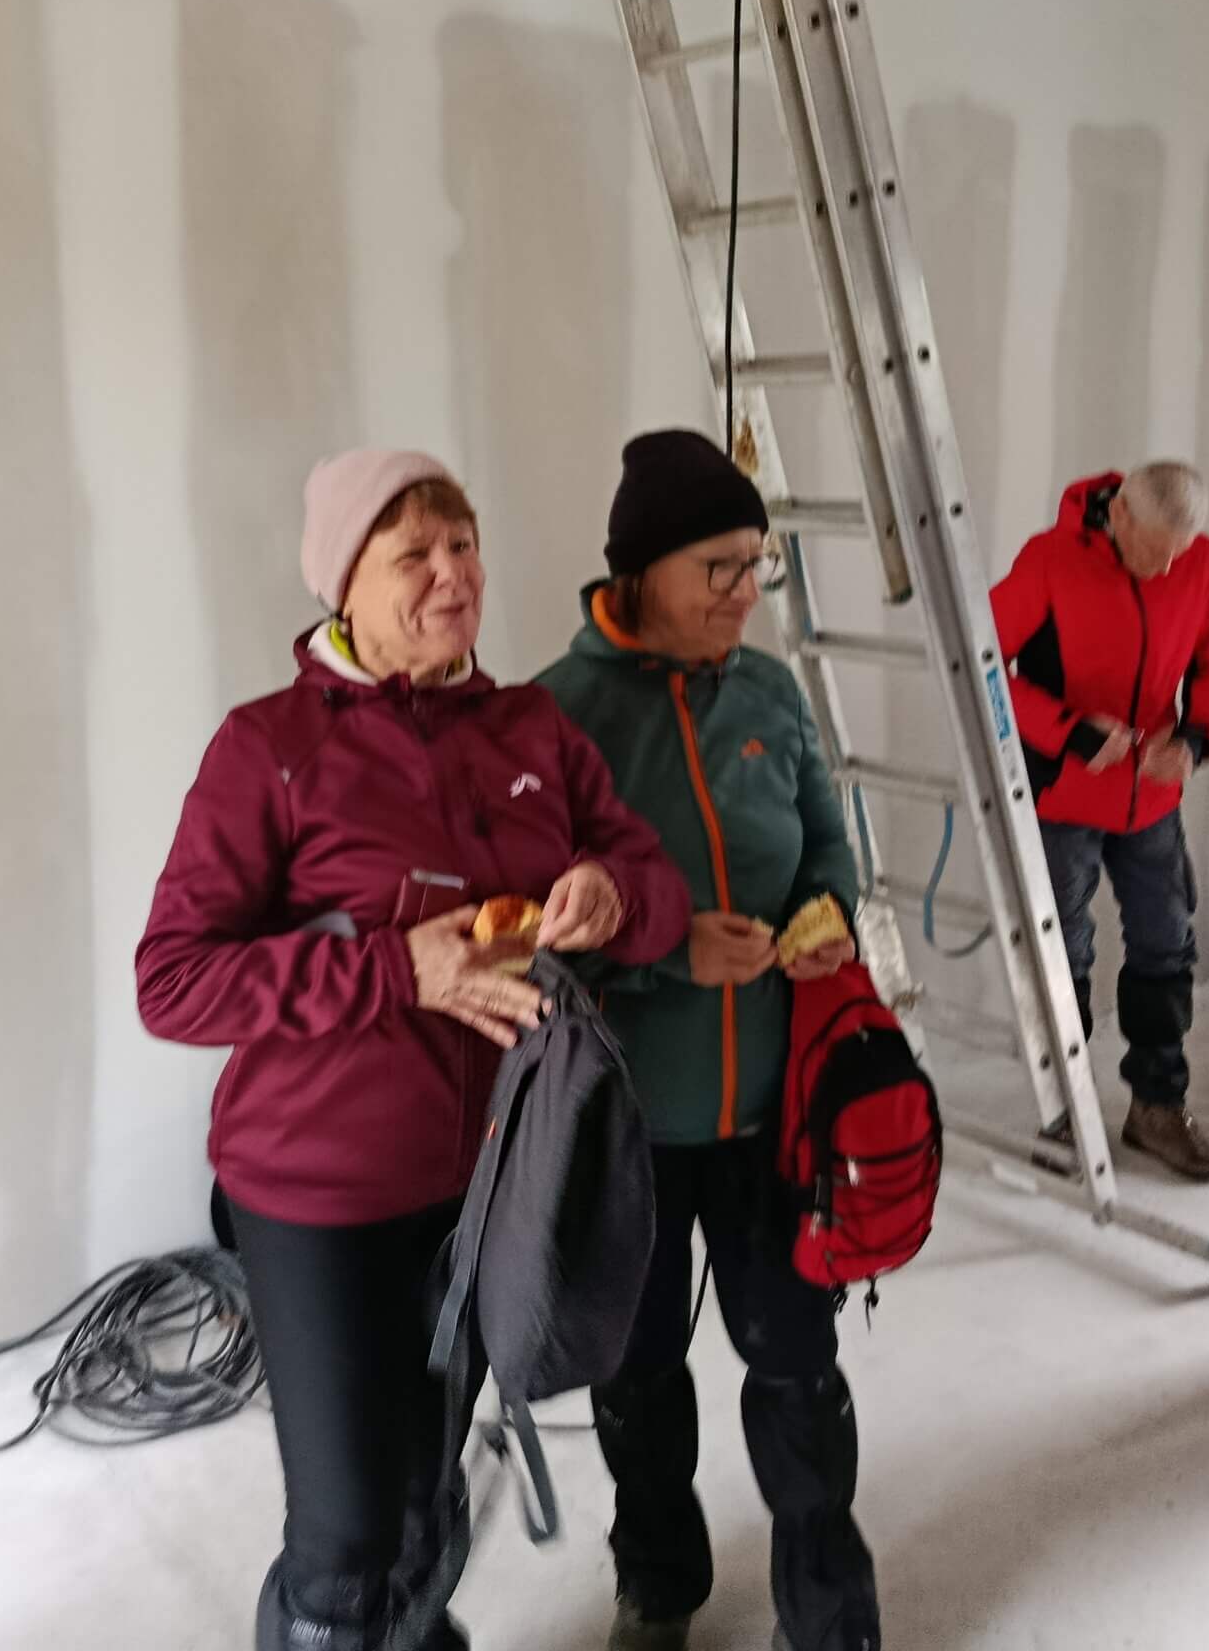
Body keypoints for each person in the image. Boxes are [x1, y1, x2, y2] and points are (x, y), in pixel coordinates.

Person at [135, 448, 691, 1651]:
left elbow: (656, 897)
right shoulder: (270, 748)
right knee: (343, 1541)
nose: (453, 574)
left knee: (425, 1499)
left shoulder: (529, 726)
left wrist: (609, 891)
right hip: (318, 1196)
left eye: (464, 544)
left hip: (490, 1185)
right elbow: (172, 983)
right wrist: (398, 970)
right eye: (414, 555)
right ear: (342, 585)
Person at [537, 429, 880, 1651]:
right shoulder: (556, 716)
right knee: (635, 1373)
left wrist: (824, 917)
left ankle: (828, 1615)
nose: (746, 593)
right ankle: (659, 1585)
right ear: (640, 572)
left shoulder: (769, 693)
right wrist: (668, 958)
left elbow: (829, 846)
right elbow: (532, 938)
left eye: (757, 565)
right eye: (719, 568)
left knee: (796, 1364)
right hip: (623, 1121)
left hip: (771, 1114)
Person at [989, 461, 1209, 1180]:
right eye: (1155, 551)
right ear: (1119, 514)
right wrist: (1069, 732)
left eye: (1179, 554)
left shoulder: (1198, 562)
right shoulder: (1048, 561)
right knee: (1063, 955)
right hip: (1062, 797)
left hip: (1151, 800)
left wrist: (1195, 740)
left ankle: (1157, 1107)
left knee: (1167, 945)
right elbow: (982, 666)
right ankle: (1064, 1111)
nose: (1167, 569)